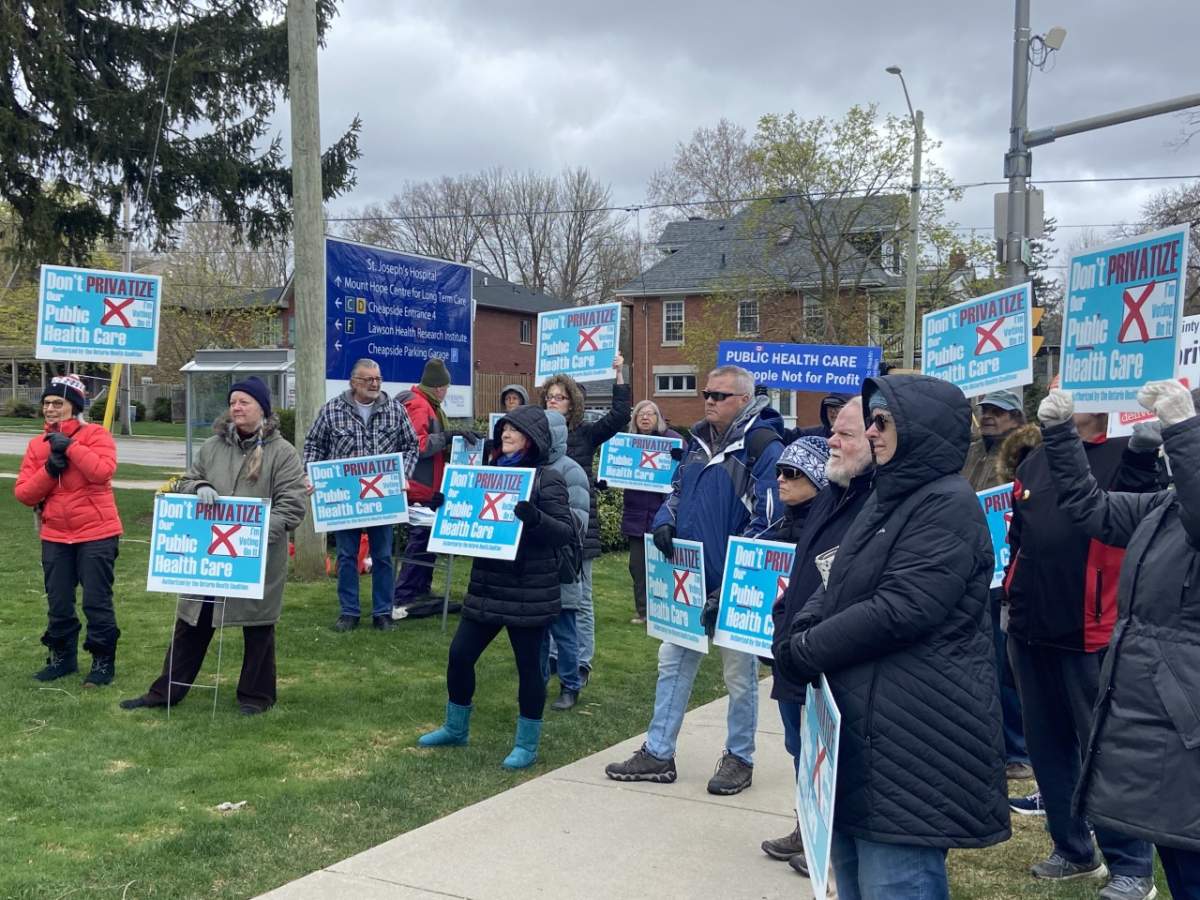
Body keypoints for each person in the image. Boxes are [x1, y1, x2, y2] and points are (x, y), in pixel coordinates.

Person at [777, 374, 1010, 900]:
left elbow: (902, 609)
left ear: (919, 428)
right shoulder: (886, 498)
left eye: (882, 422)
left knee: (895, 883)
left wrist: (806, 649)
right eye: (871, 421)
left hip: (913, 738)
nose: (872, 432)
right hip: (865, 732)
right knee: (854, 880)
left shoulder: (947, 504)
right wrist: (799, 629)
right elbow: (835, 580)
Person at [1037, 381, 1200, 900]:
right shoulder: (1166, 508)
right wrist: (1059, 434)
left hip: (1186, 721)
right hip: (1160, 719)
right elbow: (1092, 509)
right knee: (1180, 860)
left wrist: (1184, 430)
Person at [1004, 394, 1158, 895]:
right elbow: (1019, 538)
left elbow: (1133, 527)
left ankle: (1131, 865)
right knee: (1049, 750)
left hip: (1093, 631)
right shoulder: (1036, 459)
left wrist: (1145, 453)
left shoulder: (1130, 453)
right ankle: (1073, 850)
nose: (1063, 392)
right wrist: (1010, 596)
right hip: (1030, 626)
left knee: (1106, 753)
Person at [605, 365, 784, 795]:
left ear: (744, 400)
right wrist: (665, 520)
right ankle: (658, 751)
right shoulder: (697, 441)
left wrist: (735, 581)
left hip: (733, 584)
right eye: (706, 393)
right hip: (688, 577)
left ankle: (739, 757)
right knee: (672, 662)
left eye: (719, 395)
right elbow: (677, 490)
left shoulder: (762, 446)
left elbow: (770, 520)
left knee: (739, 676)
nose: (709, 401)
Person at [120, 378, 307, 715]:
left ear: (262, 409)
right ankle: (166, 692)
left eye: (244, 402)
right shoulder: (212, 446)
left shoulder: (283, 453)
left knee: (258, 627)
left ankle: (256, 697)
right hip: (208, 556)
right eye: (233, 402)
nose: (236, 407)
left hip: (256, 558)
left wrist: (253, 535)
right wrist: (199, 486)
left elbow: (291, 507)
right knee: (192, 622)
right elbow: (187, 480)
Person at [416, 404, 576, 768]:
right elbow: (468, 521)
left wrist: (534, 518)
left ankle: (527, 744)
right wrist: (444, 506)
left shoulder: (547, 478)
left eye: (514, 430)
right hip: (487, 585)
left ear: (532, 439)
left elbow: (564, 532)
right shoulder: (484, 473)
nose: (505, 434)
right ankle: (455, 727)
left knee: (529, 669)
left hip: (529, 589)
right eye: (503, 428)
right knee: (460, 656)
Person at [763, 400, 873, 877]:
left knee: (831, 754)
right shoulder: (834, 494)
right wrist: (783, 617)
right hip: (796, 649)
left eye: (845, 434)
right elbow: (806, 569)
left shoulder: (873, 502)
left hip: (827, 654)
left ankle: (827, 844)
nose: (832, 440)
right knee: (800, 747)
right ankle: (807, 825)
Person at [15, 374, 123, 687]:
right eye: (46, 403)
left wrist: (72, 448)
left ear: (74, 406)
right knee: (59, 602)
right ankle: (62, 657)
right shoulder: (37, 445)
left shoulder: (97, 435)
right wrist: (49, 470)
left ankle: (102, 661)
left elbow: (102, 472)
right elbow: (24, 494)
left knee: (96, 602)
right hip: (55, 535)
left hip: (97, 533)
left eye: (57, 403)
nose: (50, 408)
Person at [303, 358, 418, 632]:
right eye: (368, 379)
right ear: (354, 382)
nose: (374, 384)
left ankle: (382, 613)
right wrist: (310, 474)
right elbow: (314, 445)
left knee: (382, 556)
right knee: (346, 555)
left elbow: (411, 445)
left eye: (378, 379)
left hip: (383, 498)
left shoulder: (396, 410)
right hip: (345, 500)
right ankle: (349, 612)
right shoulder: (332, 410)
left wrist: (404, 474)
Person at [540, 352, 631, 684]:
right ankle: (554, 655)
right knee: (551, 593)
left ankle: (581, 661)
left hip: (580, 526)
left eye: (560, 397)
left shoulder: (585, 434)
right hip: (547, 524)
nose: (553, 401)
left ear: (572, 404)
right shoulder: (539, 436)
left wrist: (619, 374)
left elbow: (620, 415)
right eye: (550, 397)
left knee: (581, 597)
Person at [961, 388, 1033, 781]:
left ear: (1017, 417)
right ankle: (987, 742)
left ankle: (1018, 750)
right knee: (978, 661)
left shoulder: (1028, 454)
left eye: (998, 411)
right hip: (971, 566)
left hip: (1008, 570)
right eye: (985, 409)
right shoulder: (970, 451)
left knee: (1006, 665)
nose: (988, 416)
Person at [393, 358, 478, 615]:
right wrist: (448, 437)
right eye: (446, 387)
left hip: (420, 483)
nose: (447, 391)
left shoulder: (421, 403)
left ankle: (420, 589)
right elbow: (416, 445)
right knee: (421, 540)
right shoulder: (420, 406)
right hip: (419, 485)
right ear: (439, 387)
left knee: (426, 540)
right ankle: (405, 595)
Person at [539, 409, 589, 711]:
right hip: (536, 565)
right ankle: (538, 682)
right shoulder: (530, 465)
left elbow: (578, 523)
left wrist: (543, 516)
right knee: (537, 632)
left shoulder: (571, 471)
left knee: (564, 632)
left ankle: (570, 685)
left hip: (561, 564)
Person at [619, 400, 682, 624]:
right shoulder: (627, 443)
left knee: (666, 566)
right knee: (637, 567)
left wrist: (680, 457)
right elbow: (616, 468)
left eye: (650, 414)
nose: (645, 418)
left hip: (663, 515)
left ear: (658, 418)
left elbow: (690, 466)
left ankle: (669, 609)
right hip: (636, 516)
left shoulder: (673, 440)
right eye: (640, 414)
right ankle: (643, 611)